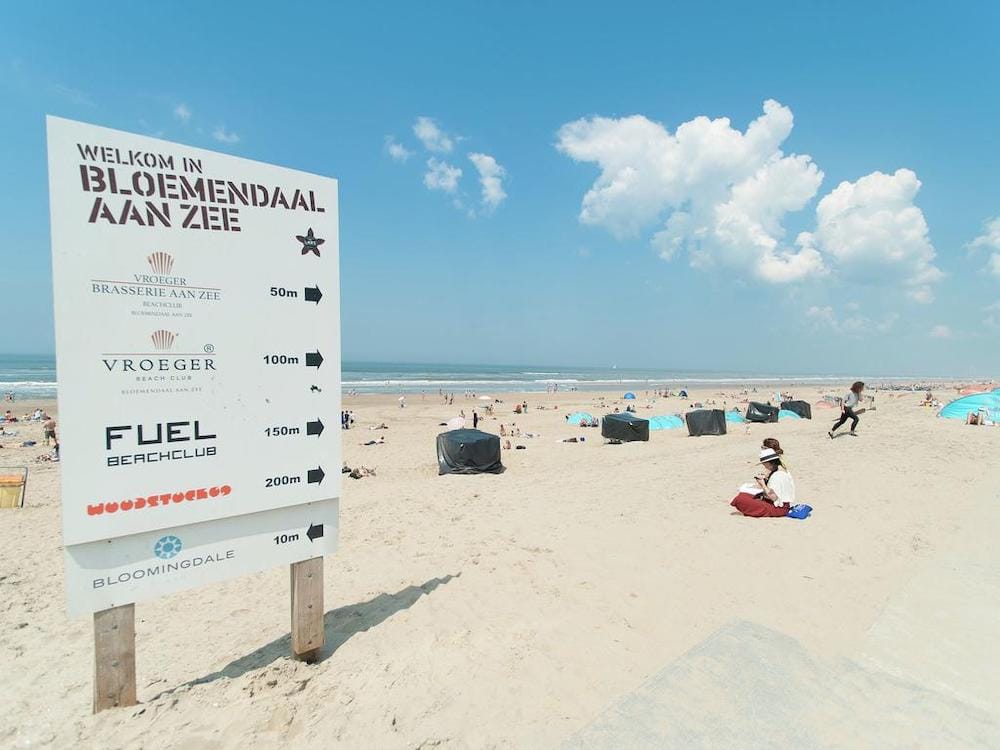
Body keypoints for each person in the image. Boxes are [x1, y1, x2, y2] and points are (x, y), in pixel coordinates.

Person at [731, 448, 796, 517]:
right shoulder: (780, 471)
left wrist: (763, 484)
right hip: (780, 505)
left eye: (764, 463)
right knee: (744, 495)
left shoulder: (777, 475)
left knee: (740, 499)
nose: (764, 466)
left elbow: (774, 497)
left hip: (779, 508)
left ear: (769, 463)